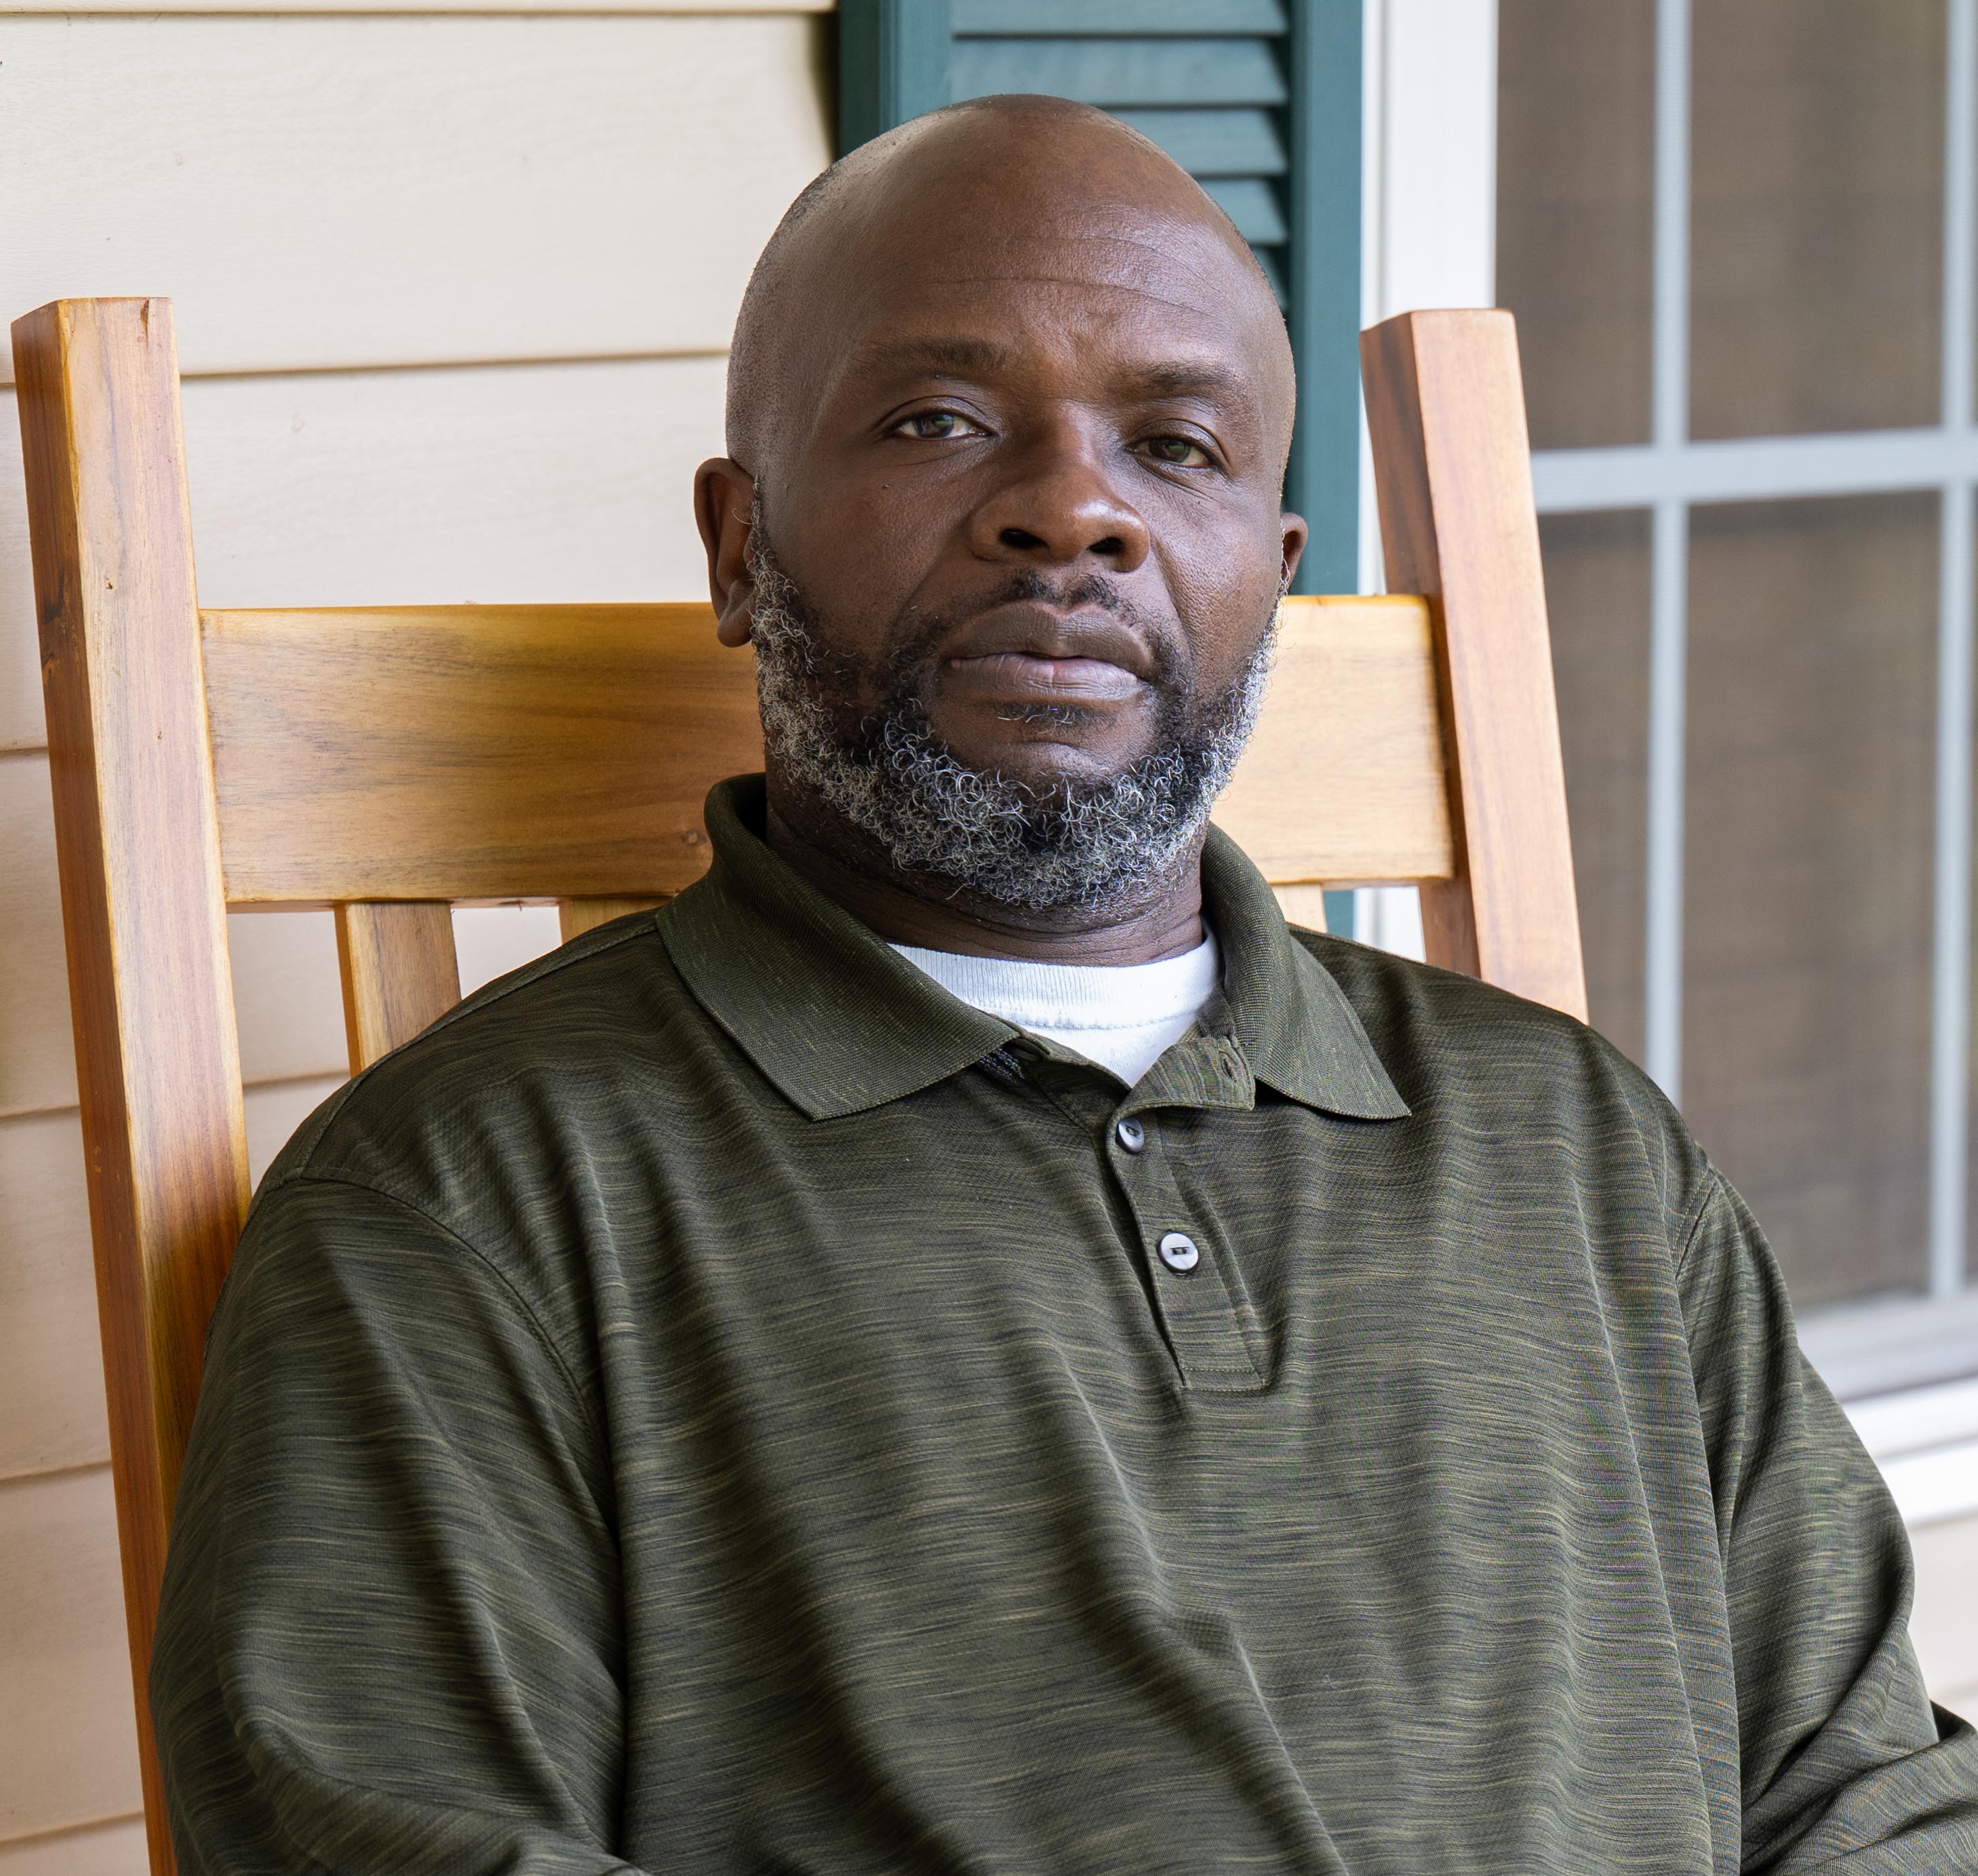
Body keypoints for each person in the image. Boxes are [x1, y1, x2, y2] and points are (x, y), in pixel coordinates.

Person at [151, 96, 1978, 1874]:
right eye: (940, 421)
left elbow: (1867, 1786)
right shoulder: (475, 1204)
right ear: (739, 543)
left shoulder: (1571, 1145)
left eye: (1174, 450)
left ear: (1266, 582)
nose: (1071, 515)